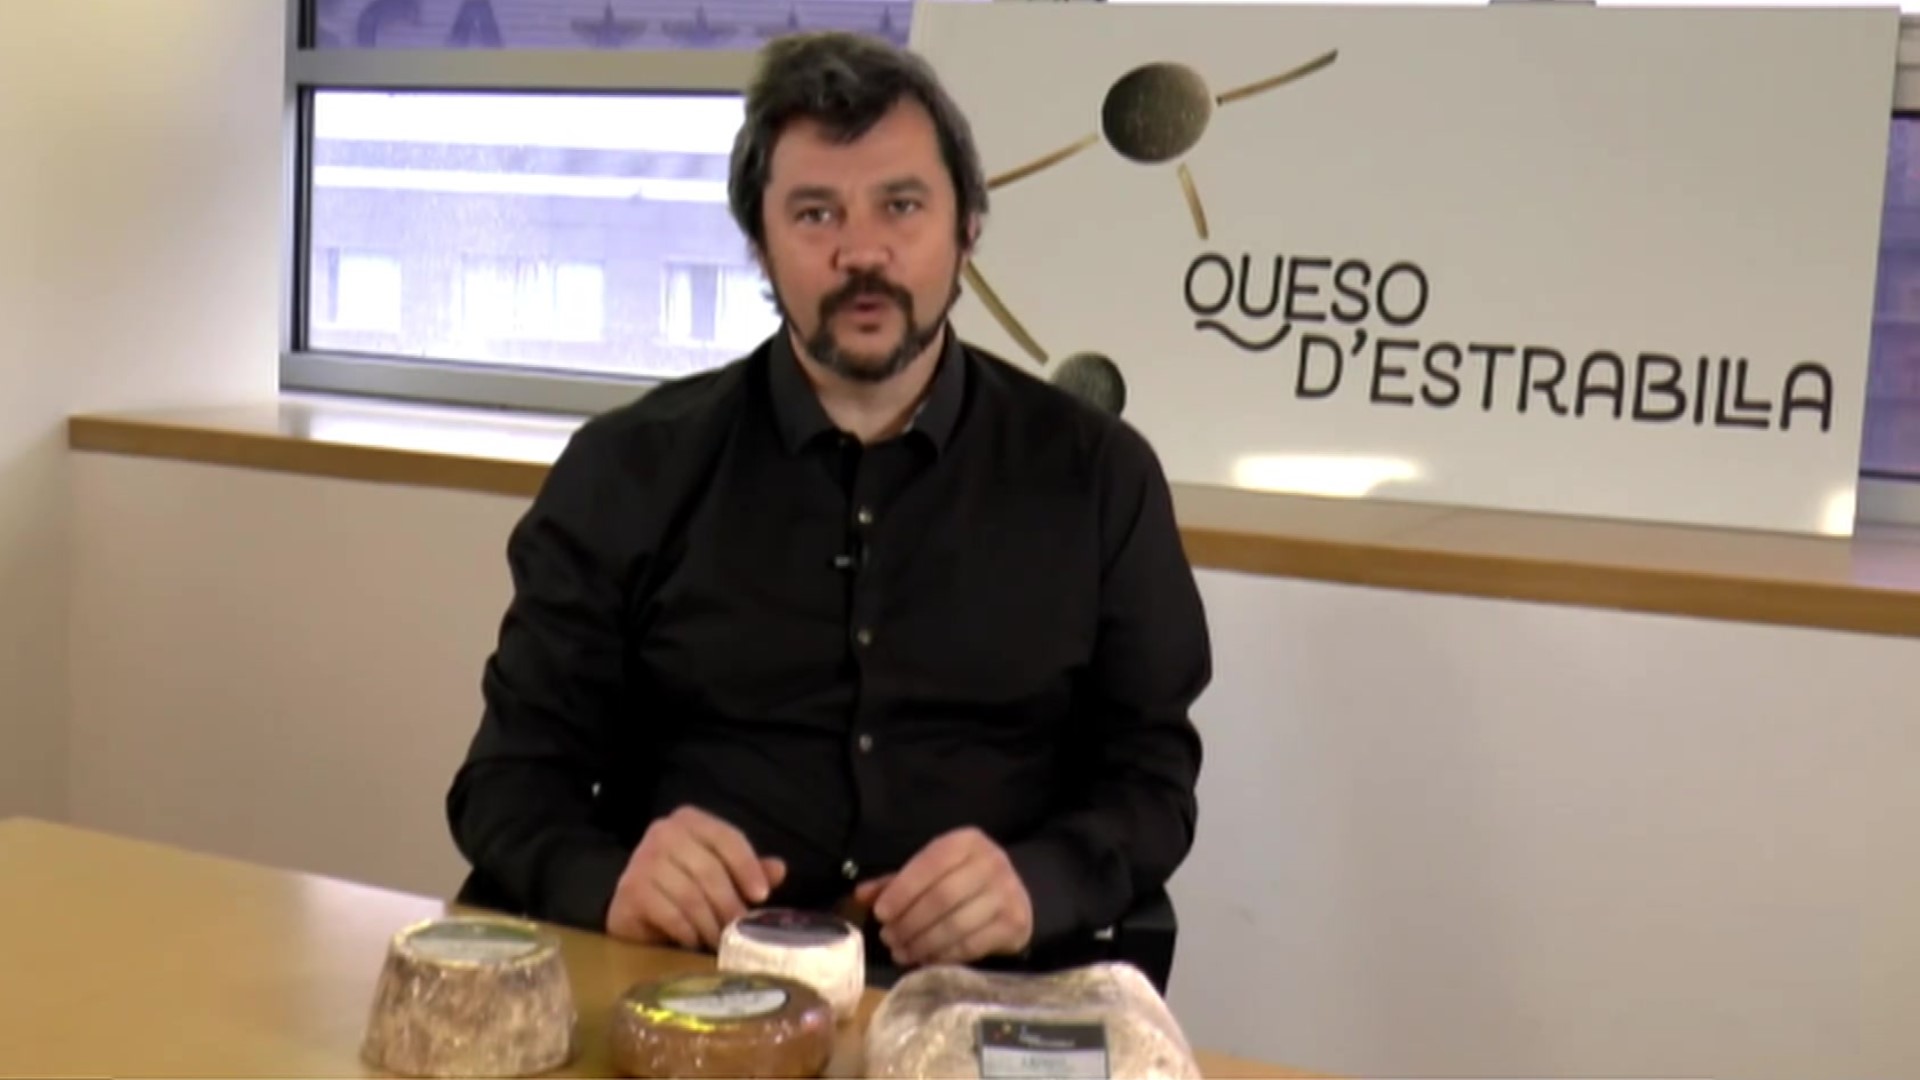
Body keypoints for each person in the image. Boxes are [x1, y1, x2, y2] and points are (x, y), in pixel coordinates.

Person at [445, 29, 1211, 975]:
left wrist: (1037, 884)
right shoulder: (626, 470)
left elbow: (1151, 780)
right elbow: (508, 782)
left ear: (968, 226)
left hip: (981, 994)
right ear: (760, 246)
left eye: (902, 206)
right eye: (815, 214)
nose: (862, 253)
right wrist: (608, 883)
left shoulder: (1098, 477)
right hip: (688, 985)